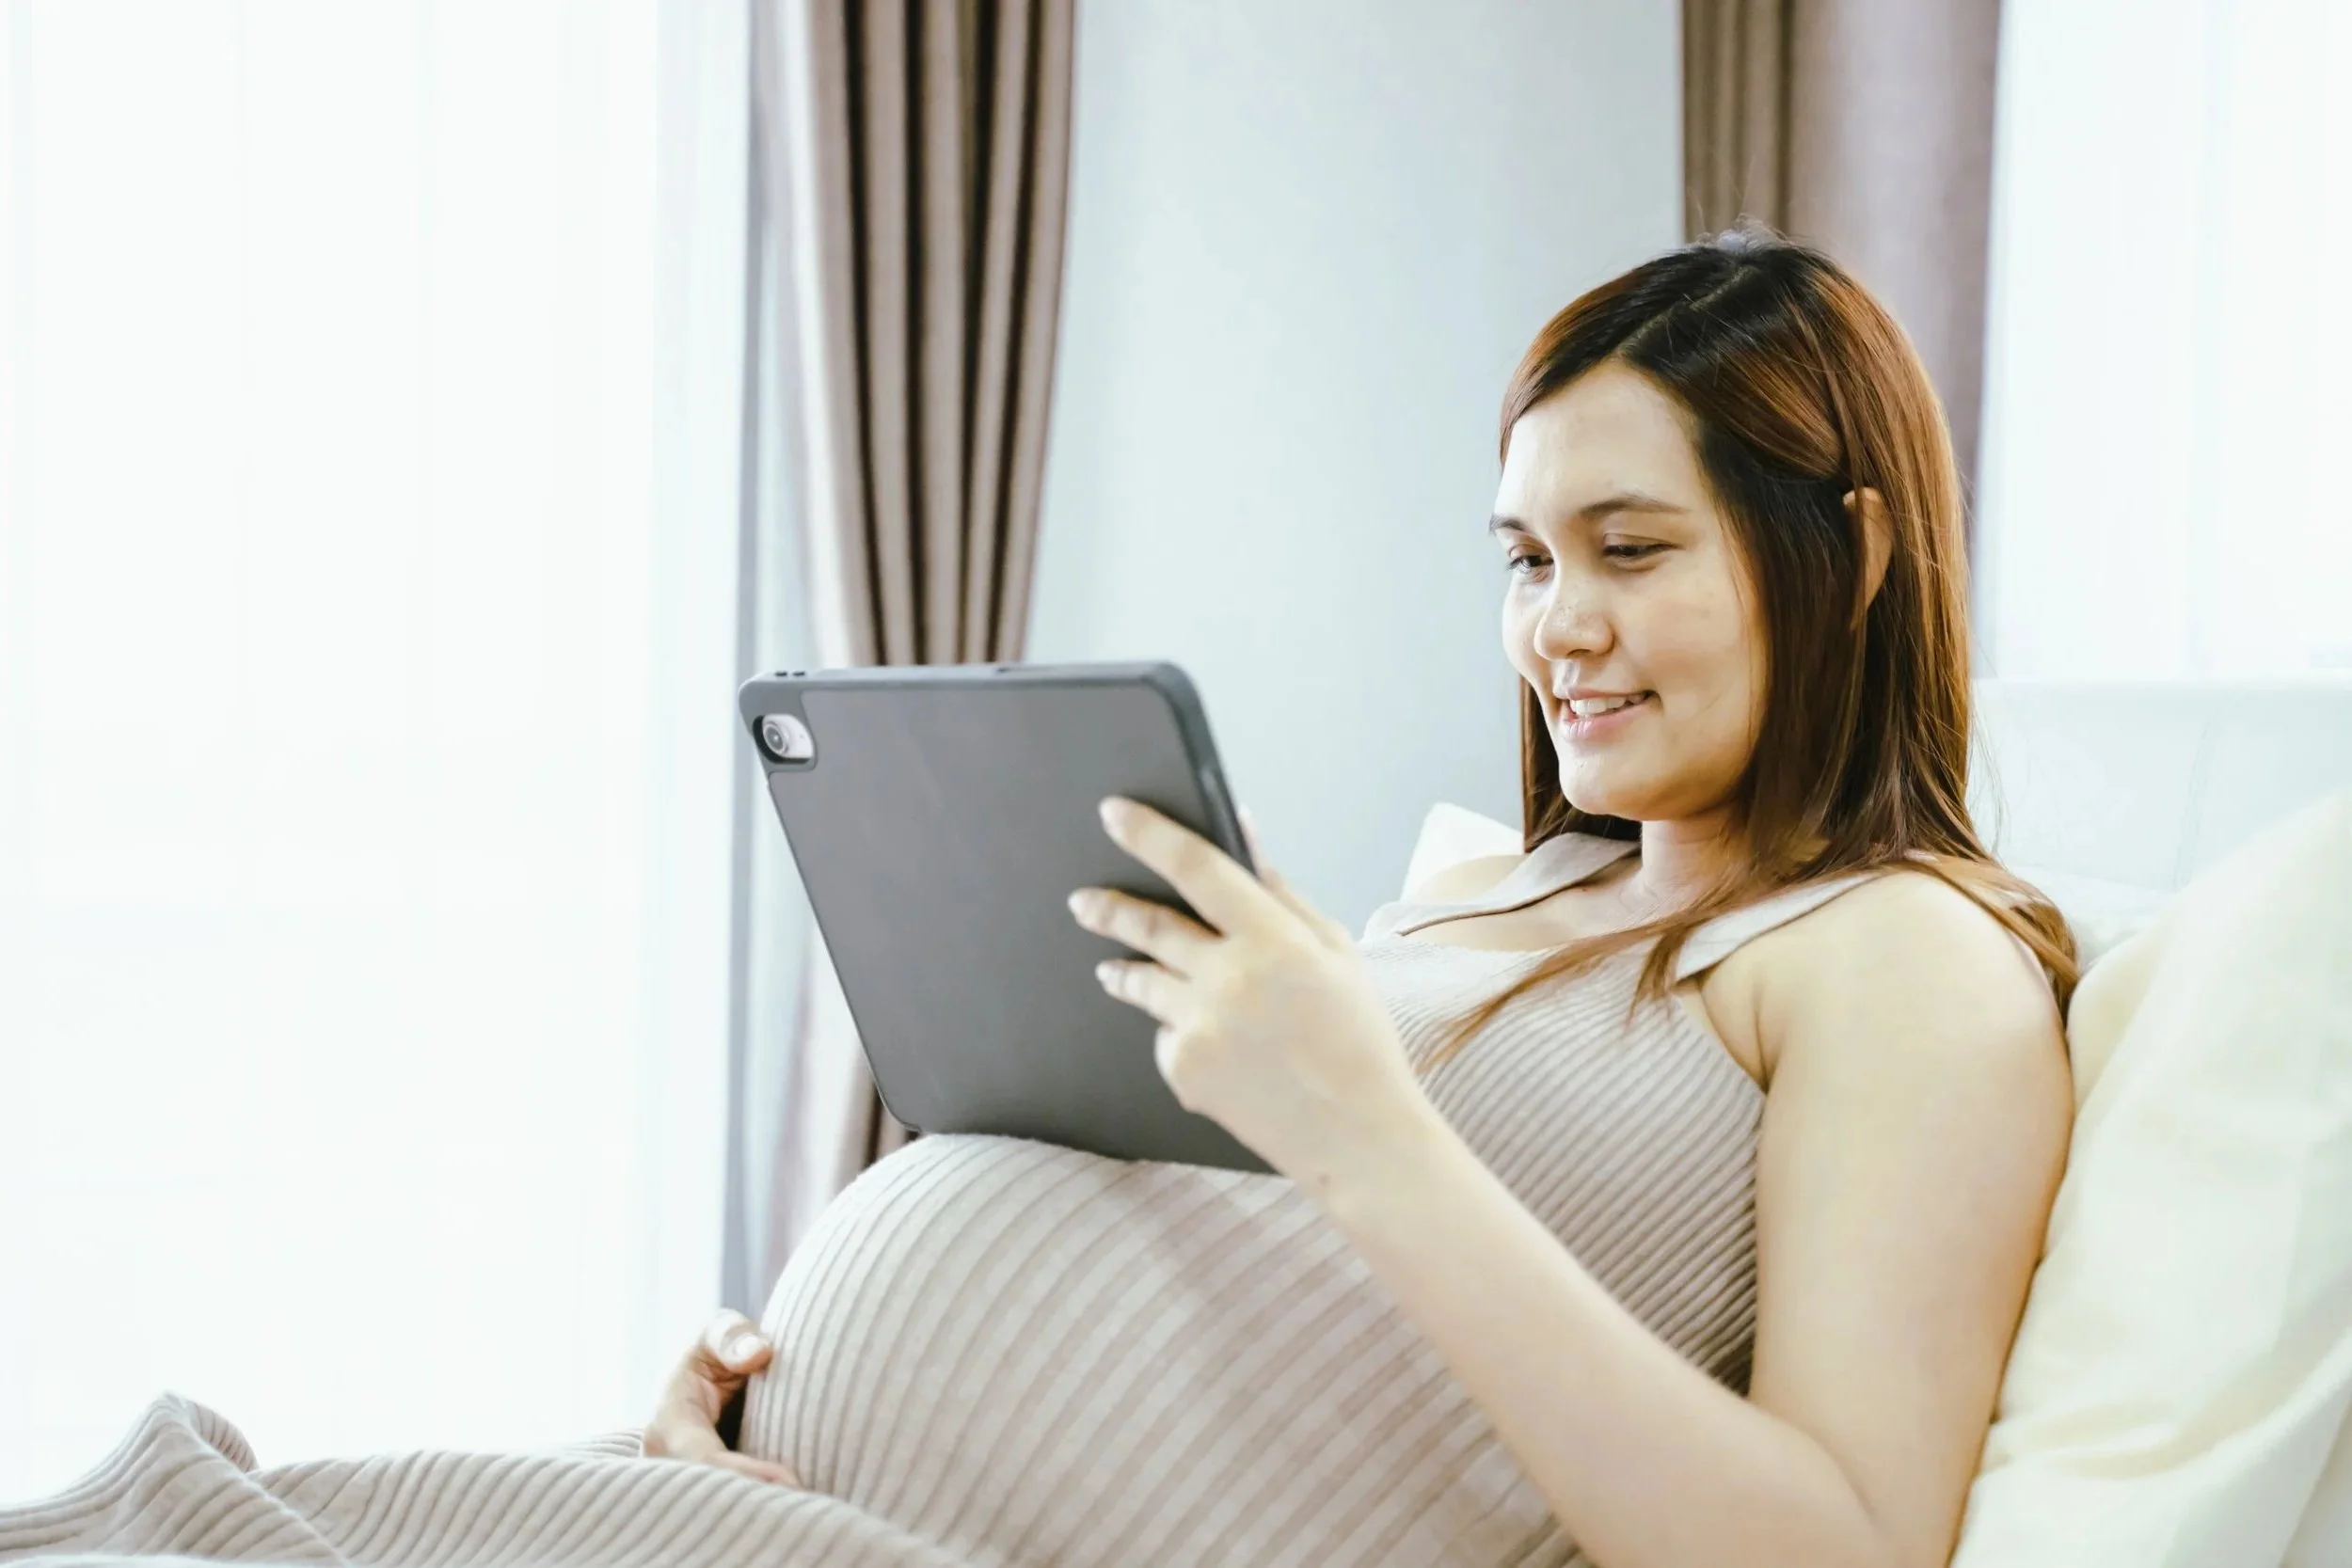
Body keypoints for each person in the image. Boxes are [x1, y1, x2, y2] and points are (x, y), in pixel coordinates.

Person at [644, 230, 2078, 1568]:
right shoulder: (1484, 889)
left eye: (1631, 548)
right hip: (774, 1510)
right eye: (1527, 559)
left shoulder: (1906, 958)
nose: (1557, 627)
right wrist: (771, 1402)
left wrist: (1359, 1122)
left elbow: (1846, 1543)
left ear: (1855, 554)